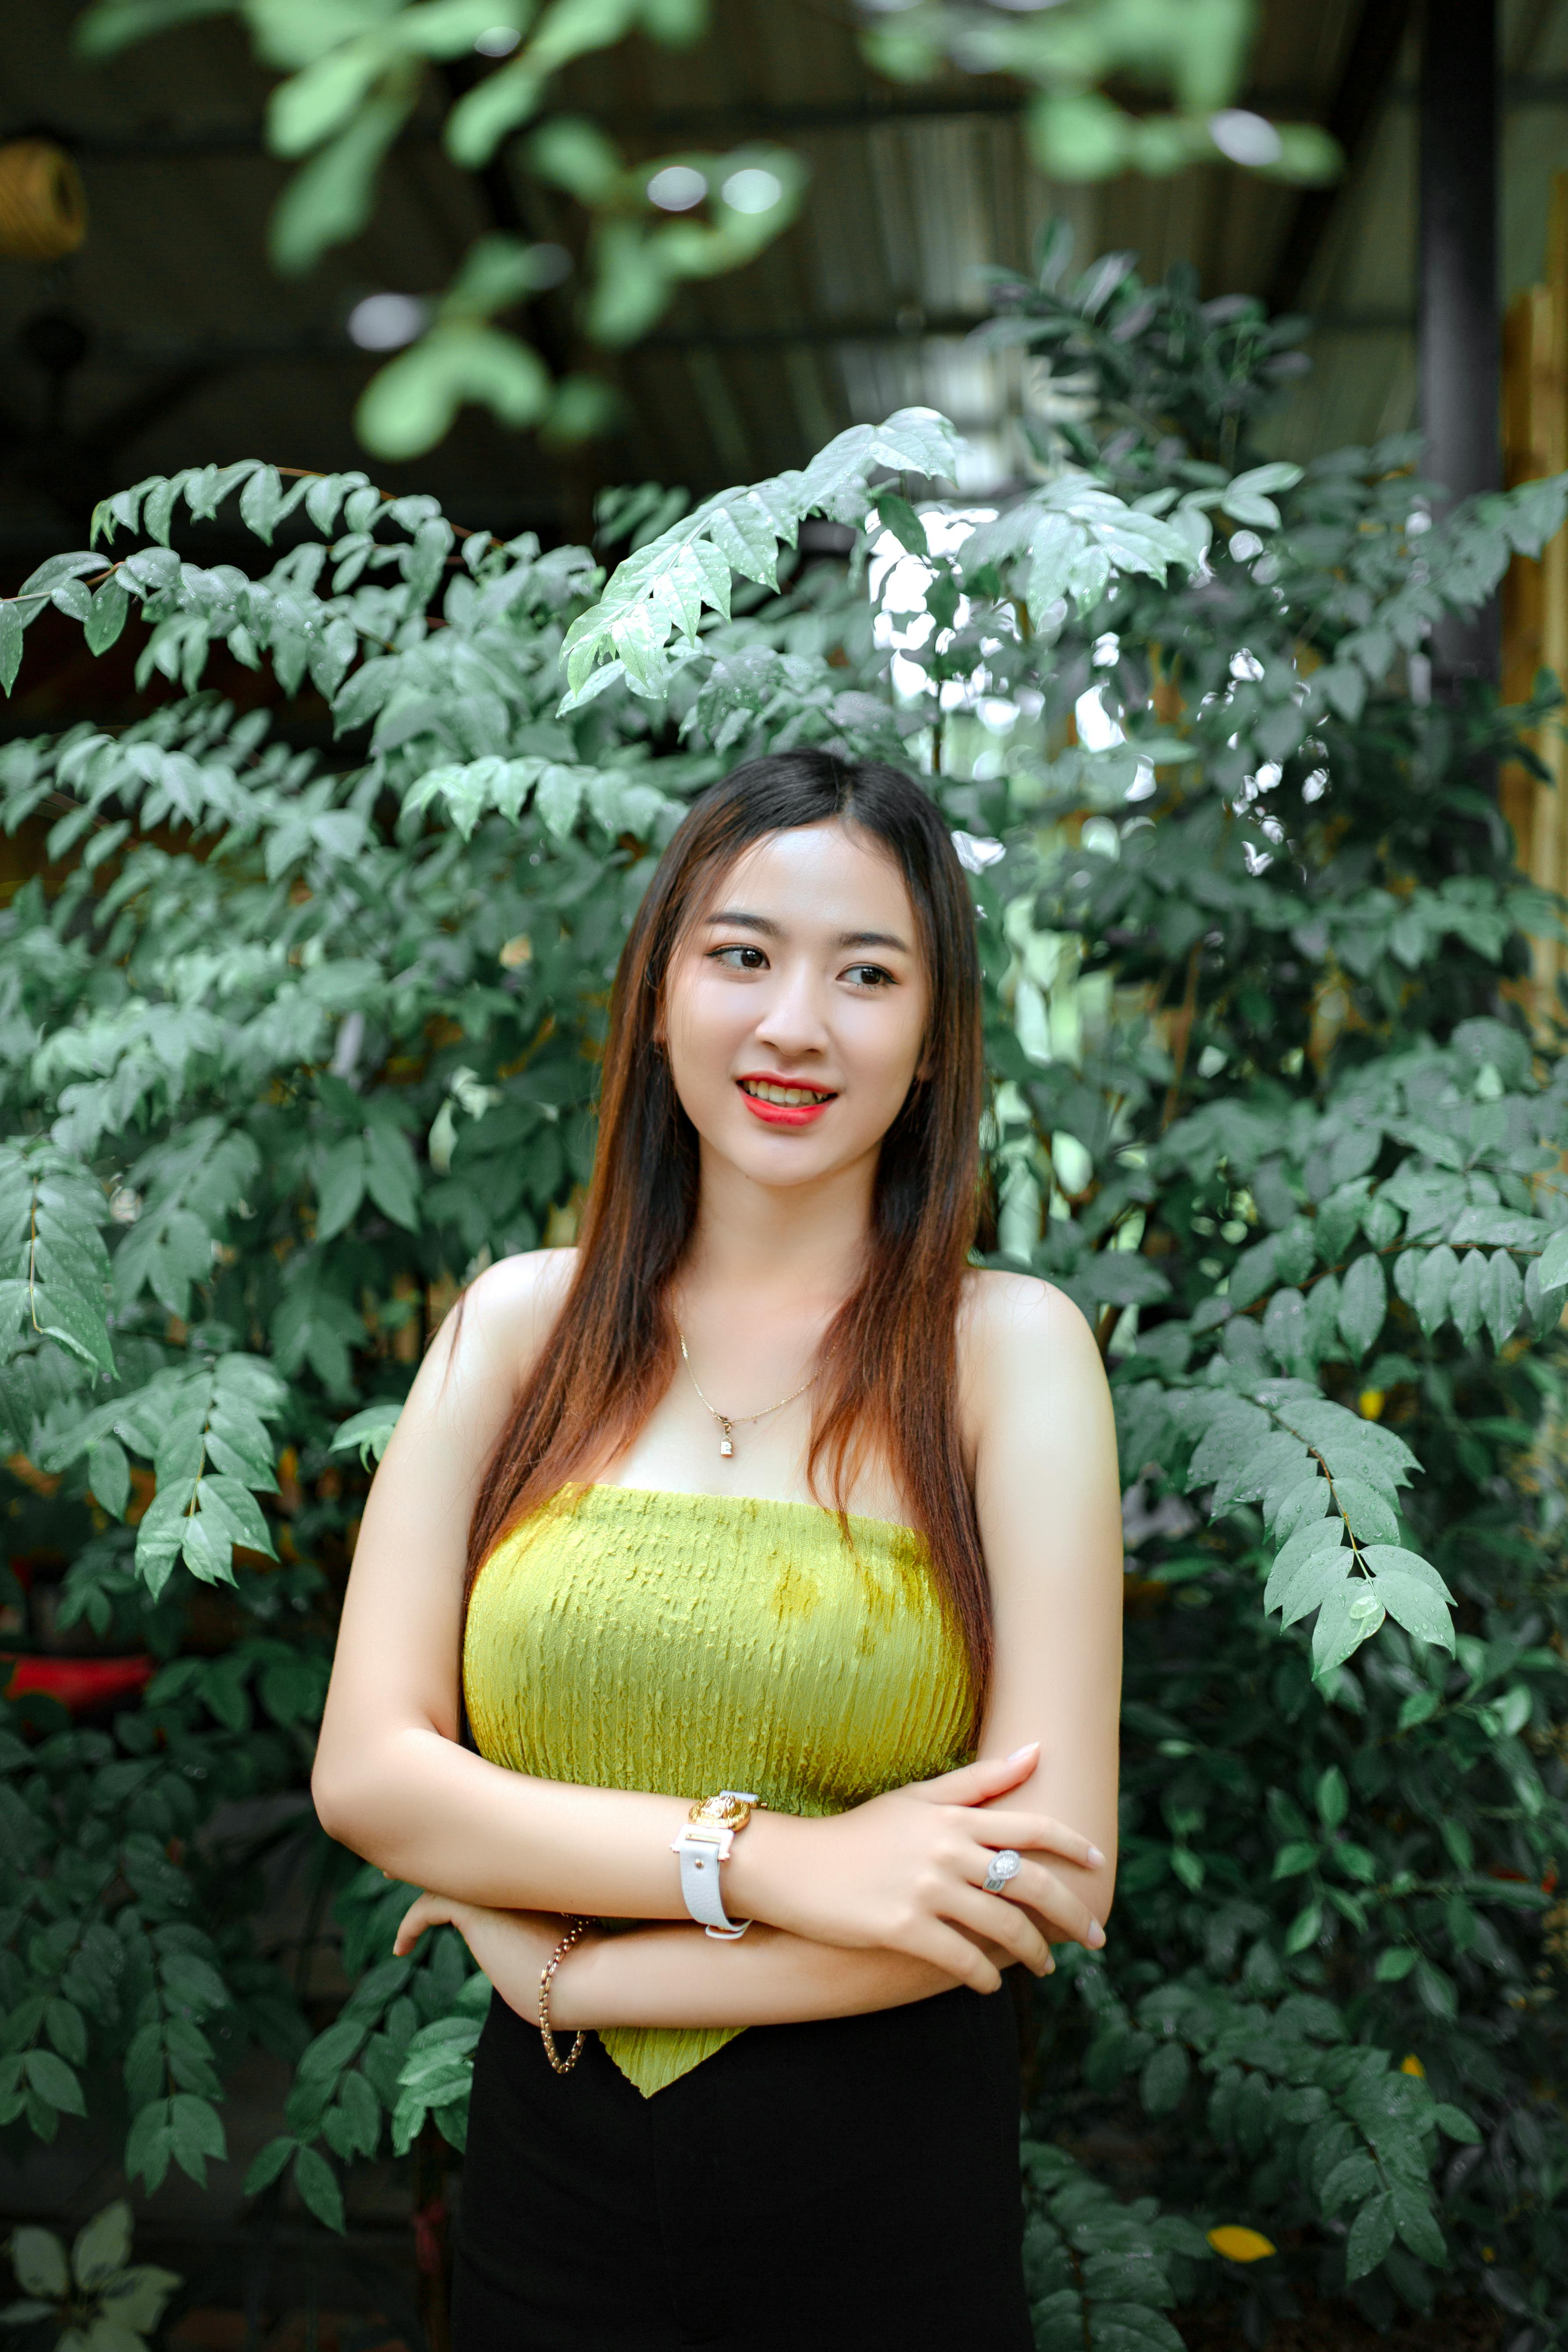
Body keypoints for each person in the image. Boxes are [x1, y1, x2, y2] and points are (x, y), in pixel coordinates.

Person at [312, 750, 1124, 2351]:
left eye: (866, 973)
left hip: (882, 2195)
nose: (795, 1024)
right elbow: (373, 1775)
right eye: (742, 953)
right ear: (662, 988)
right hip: (550, 2188)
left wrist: (567, 1978)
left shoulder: (1010, 1349)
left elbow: (1034, 1878)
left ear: (936, 1032)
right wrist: (776, 1863)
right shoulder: (515, 1328)